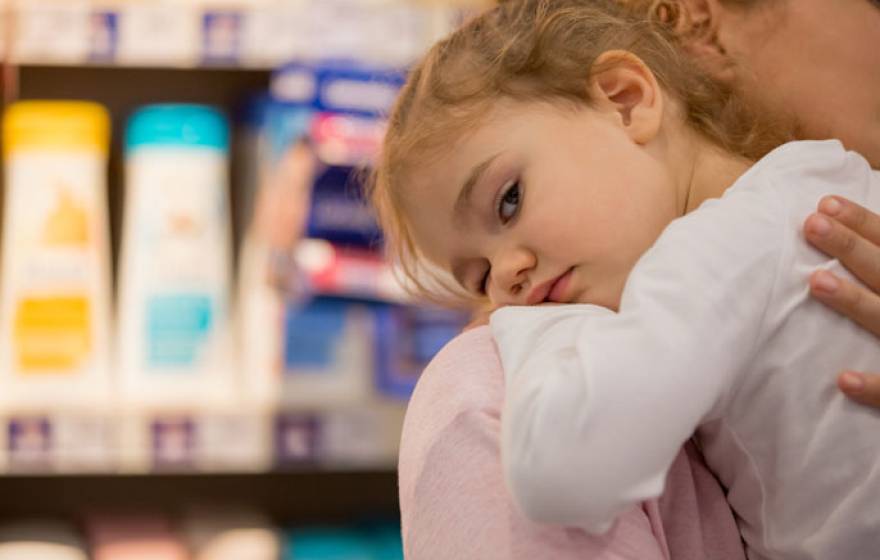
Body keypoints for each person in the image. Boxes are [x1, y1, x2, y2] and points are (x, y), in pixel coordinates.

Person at [371, 1, 880, 558]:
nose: (504, 286)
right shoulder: (828, 174)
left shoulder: (709, 253)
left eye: (509, 200)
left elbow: (561, 471)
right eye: (479, 276)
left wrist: (539, 335)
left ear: (625, 101)